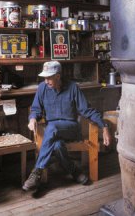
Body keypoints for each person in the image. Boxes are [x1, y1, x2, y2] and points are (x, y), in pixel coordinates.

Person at [22, 61, 112, 191]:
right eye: (45, 78)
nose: (46, 81)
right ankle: (75, 171)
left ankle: (37, 171)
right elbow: (36, 109)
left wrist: (104, 126)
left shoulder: (72, 87)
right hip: (52, 133)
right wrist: (32, 119)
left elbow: (87, 110)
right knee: (57, 145)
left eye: (49, 77)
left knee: (52, 127)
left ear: (58, 76)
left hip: (71, 128)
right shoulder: (42, 88)